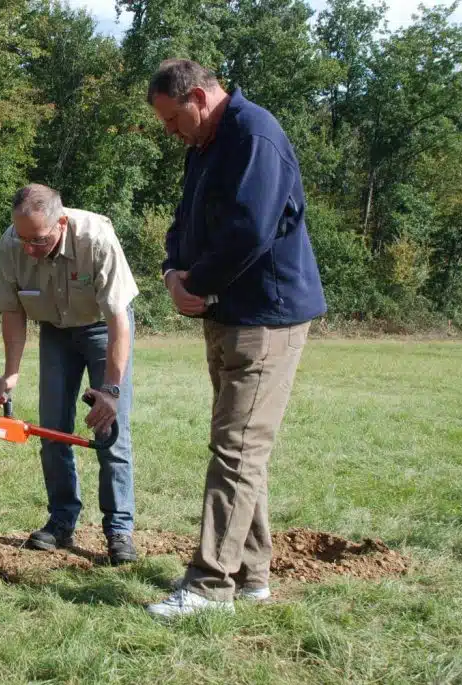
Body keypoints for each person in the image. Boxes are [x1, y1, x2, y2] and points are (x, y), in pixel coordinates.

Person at [143, 60, 327, 618]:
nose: (172, 131)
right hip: (226, 315)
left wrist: (195, 282)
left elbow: (251, 228)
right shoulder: (206, 144)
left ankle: (209, 586)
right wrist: (174, 274)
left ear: (199, 96)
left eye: (175, 119)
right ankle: (251, 575)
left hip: (265, 318)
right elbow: (184, 220)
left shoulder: (255, 136)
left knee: (237, 448)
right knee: (243, 449)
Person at [0, 183, 140, 565]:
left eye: (37, 240)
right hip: (55, 333)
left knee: (110, 432)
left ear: (61, 221)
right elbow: (13, 312)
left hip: (102, 328)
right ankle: (61, 521)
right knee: (53, 432)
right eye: (22, 238)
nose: (28, 249)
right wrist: (11, 374)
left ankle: (119, 530)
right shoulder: (12, 244)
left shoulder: (96, 239)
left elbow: (118, 320)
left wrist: (110, 389)